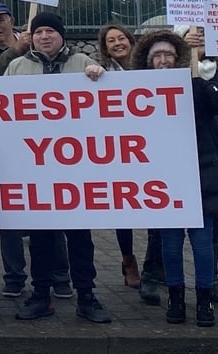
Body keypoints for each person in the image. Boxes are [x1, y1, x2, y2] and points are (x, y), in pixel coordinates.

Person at [130, 30, 218, 327]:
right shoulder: (134, 89)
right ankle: (176, 298)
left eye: (168, 54)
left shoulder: (195, 84)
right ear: (148, 61)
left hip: (200, 173)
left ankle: (204, 301)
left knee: (202, 241)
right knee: (170, 242)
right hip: (163, 176)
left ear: (178, 57)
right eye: (157, 55)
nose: (164, 60)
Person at [7, 12, 111, 323]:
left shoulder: (82, 64)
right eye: (39, 32)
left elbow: (108, 102)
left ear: (62, 35)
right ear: (32, 37)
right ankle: (41, 295)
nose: (45, 37)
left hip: (76, 170)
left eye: (51, 31)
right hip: (35, 168)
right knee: (40, 238)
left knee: (80, 237)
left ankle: (86, 296)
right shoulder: (17, 67)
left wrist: (99, 74)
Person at [0, 2, 71, 299]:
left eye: (0, 20)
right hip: (8, 145)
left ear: (11, 20)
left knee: (55, 212)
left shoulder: (45, 51)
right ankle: (14, 276)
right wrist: (15, 52)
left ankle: (60, 275)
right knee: (9, 214)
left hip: (51, 146)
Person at [180, 26, 218, 306]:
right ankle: (161, 280)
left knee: (209, 225)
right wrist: (185, 53)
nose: (199, 38)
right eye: (193, 34)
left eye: (204, 33)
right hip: (178, 156)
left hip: (211, 156)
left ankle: (210, 282)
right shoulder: (173, 66)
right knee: (168, 230)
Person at [95, 24, 144, 291]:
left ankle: (154, 265)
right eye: (111, 40)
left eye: (121, 38)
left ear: (130, 40)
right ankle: (128, 260)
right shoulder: (102, 74)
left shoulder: (149, 69)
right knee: (122, 209)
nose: (117, 43)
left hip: (148, 149)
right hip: (118, 152)